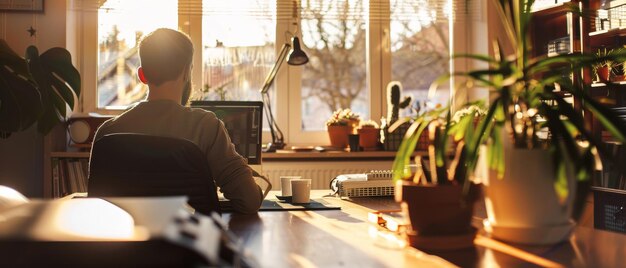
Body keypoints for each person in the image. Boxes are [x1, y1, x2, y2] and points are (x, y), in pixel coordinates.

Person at [92, 28, 263, 214]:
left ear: (142, 75)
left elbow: (97, 208)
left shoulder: (107, 132)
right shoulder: (205, 127)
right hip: (191, 242)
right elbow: (249, 200)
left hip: (128, 241)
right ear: (186, 73)